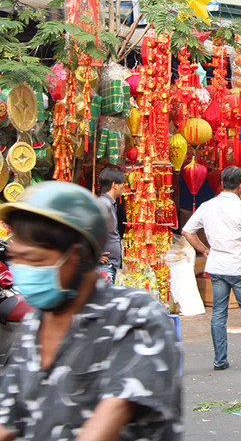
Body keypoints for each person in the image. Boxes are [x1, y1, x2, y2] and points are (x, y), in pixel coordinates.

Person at [0, 181, 182, 440]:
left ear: (74, 255)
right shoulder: (36, 325)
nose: (22, 269)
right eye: (16, 259)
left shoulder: (134, 315)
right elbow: (8, 419)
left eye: (34, 259)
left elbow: (109, 419)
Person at [182, 166, 241, 371]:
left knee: (219, 313)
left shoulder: (207, 206)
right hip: (238, 267)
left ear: (222, 183)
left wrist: (205, 250)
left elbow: (187, 231)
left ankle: (220, 360)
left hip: (216, 265)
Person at [96, 167, 126, 282]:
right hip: (104, 267)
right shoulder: (103, 204)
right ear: (114, 185)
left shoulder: (109, 203)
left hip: (109, 265)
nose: (123, 186)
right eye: (122, 183)